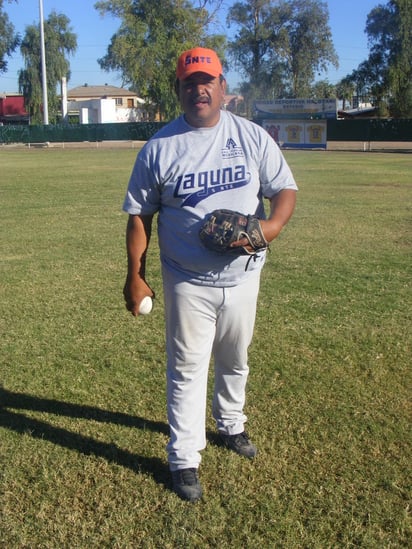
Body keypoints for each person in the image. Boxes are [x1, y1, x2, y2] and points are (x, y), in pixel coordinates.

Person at [122, 47, 298, 502]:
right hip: (186, 279)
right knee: (186, 367)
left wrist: (272, 227)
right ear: (178, 90)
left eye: (207, 81)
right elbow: (140, 215)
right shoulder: (159, 147)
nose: (198, 89)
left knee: (235, 357)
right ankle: (183, 457)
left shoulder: (252, 137)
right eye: (188, 82)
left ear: (222, 88)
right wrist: (134, 274)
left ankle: (231, 425)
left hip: (244, 274)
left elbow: (284, 188)